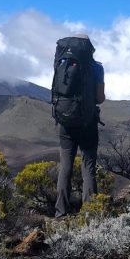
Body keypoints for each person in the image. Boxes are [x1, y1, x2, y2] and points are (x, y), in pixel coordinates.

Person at [54, 33, 105, 218]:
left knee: (65, 167)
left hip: (65, 123)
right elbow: (100, 98)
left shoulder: (61, 64)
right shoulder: (96, 67)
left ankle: (60, 212)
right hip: (88, 124)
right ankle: (90, 214)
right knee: (88, 168)